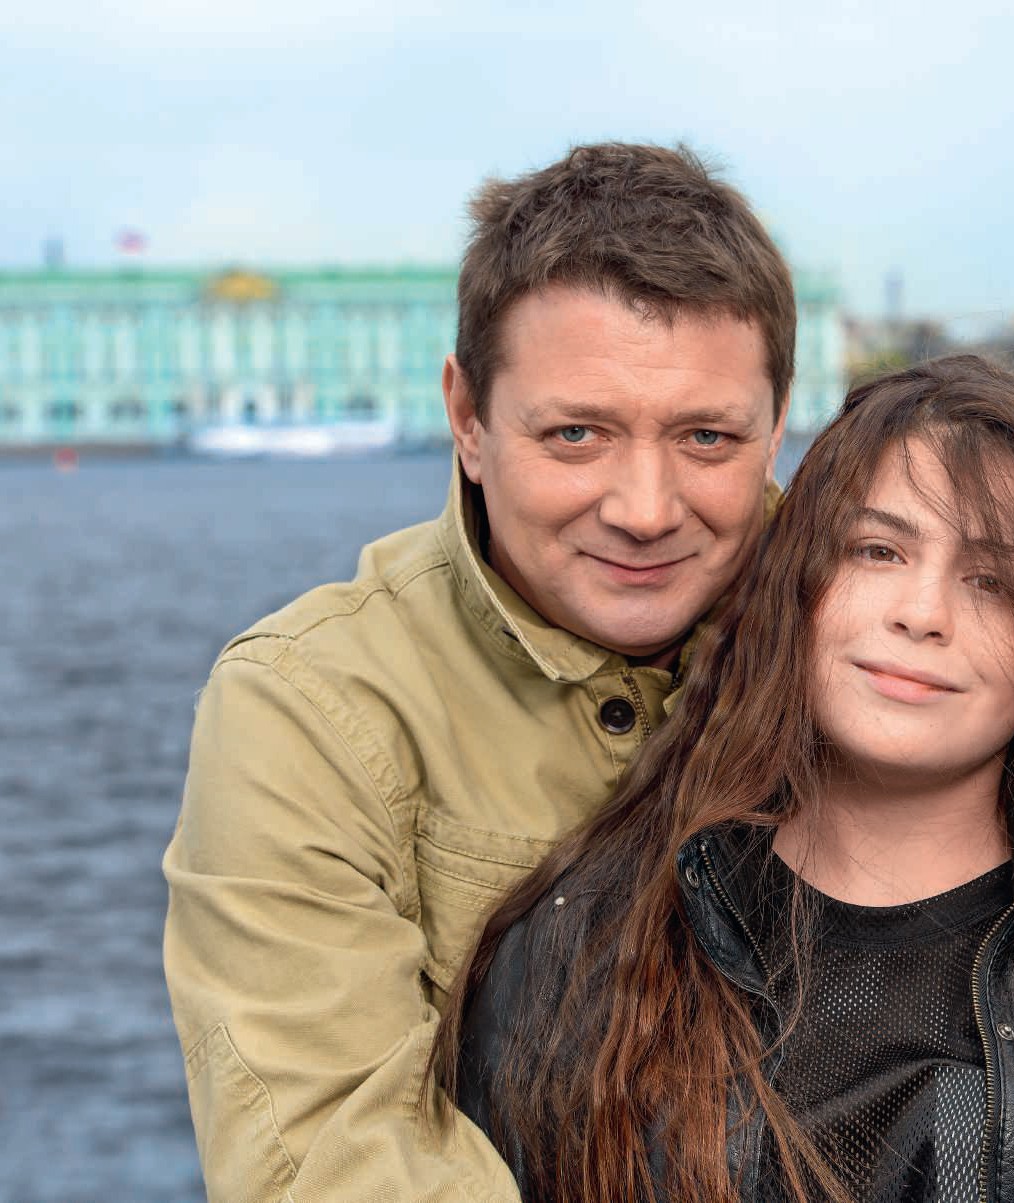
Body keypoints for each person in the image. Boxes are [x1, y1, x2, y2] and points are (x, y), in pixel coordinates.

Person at [437, 354, 1014, 1203]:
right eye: (878, 549)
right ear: (801, 582)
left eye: (993, 582)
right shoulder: (577, 949)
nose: (922, 613)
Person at [162, 142, 796, 1202]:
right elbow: (333, 1158)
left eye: (705, 437)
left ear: (774, 428)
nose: (645, 509)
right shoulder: (305, 705)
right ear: (467, 417)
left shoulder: (896, 648)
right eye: (577, 434)